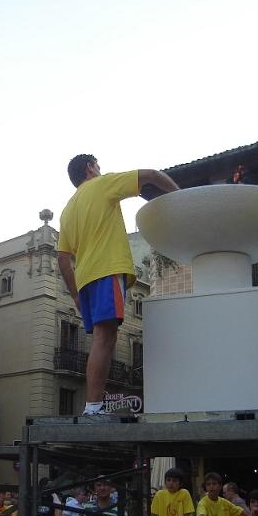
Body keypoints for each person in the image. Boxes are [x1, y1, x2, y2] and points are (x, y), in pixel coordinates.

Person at [57, 155, 180, 415]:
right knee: (105, 338)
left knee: (102, 339)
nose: (100, 169)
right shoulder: (102, 184)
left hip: (86, 279)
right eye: (97, 165)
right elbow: (151, 174)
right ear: (90, 168)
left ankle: (93, 405)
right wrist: (180, 197)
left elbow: (62, 258)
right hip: (108, 270)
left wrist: (76, 296)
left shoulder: (68, 210)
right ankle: (93, 407)